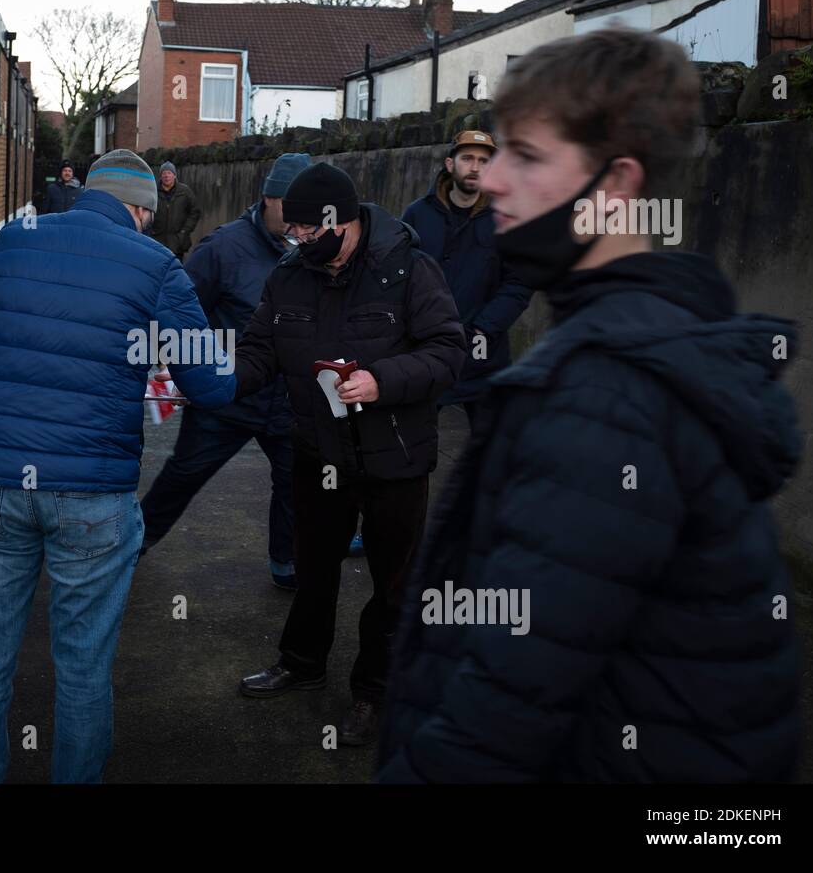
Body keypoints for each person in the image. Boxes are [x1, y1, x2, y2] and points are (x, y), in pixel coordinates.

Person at [376, 28, 801, 783]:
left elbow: (507, 697)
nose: (494, 179)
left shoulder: (604, 395)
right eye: (495, 151)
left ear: (613, 188)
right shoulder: (652, 340)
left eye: (528, 156)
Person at [0, 148, 235, 784]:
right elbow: (212, 384)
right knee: (81, 663)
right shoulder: (156, 263)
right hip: (91, 492)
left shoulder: (10, 242)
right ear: (140, 209)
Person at [231, 161, 466, 746]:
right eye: (293, 232)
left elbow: (448, 351)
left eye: (307, 231)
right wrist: (210, 380)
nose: (297, 241)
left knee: (392, 582)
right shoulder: (289, 276)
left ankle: (374, 693)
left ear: (340, 222)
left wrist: (381, 380)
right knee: (313, 568)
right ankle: (303, 663)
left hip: (395, 457)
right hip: (319, 453)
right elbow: (259, 350)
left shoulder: (410, 270)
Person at [139, 153, 311, 590]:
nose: (297, 223)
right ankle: (132, 545)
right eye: (288, 209)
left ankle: (286, 563)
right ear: (267, 198)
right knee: (183, 474)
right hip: (228, 397)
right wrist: (185, 371)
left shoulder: (314, 248)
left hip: (289, 401)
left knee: (296, 482)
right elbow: (183, 310)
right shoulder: (224, 248)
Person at [400, 130, 533, 437]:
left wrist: (484, 327)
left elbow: (520, 282)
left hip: (484, 354)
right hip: (427, 350)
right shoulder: (417, 214)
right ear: (450, 164)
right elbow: (398, 273)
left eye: (484, 161)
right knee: (412, 447)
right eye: (468, 158)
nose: (475, 167)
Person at [151, 160, 201, 260]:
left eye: (169, 173)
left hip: (177, 243)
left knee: (175, 271)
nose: (166, 176)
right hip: (157, 241)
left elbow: (195, 211)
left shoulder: (185, 191)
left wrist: (184, 231)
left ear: (174, 175)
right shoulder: (153, 191)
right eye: (164, 173)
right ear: (160, 176)